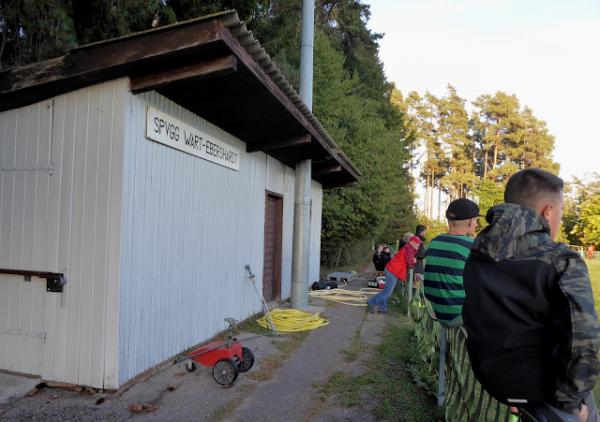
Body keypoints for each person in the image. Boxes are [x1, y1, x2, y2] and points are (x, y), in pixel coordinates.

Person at [462, 168, 600, 422]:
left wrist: (512, 389)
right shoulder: (560, 260)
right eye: (560, 213)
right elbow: (584, 341)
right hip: (549, 394)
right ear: (548, 212)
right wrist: (571, 404)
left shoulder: (477, 254)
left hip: (497, 384)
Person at [423, 198, 479, 327]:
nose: (476, 224)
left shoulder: (434, 242)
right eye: (476, 220)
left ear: (449, 221)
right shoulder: (471, 246)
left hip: (435, 312)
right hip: (458, 315)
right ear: (471, 221)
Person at [367, 236, 422, 314]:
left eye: (419, 244)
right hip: (393, 271)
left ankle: (383, 308)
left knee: (386, 290)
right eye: (417, 243)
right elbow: (410, 262)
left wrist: (414, 257)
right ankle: (371, 302)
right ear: (412, 242)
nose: (418, 245)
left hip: (391, 270)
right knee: (387, 292)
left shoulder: (409, 248)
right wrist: (415, 261)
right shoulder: (409, 249)